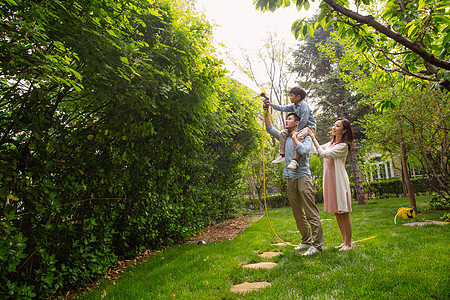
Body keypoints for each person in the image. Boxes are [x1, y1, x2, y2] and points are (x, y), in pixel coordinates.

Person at [264, 109, 323, 256]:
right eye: (287, 118)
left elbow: (304, 150)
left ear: (297, 122)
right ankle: (305, 241)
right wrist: (266, 113)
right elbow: (270, 129)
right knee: (297, 213)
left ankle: (317, 245)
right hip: (290, 178)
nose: (286, 121)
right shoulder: (285, 137)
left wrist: (296, 137)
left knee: (310, 212)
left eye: (290, 119)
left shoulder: (306, 136)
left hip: (303, 177)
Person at [308, 118, 354, 251]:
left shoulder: (343, 146)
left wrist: (313, 137)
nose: (334, 127)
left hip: (338, 181)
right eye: (334, 125)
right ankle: (344, 241)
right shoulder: (331, 143)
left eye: (337, 126)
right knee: (337, 212)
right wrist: (307, 138)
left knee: (343, 212)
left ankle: (349, 244)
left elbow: (323, 153)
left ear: (344, 130)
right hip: (330, 181)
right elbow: (316, 150)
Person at [264, 86, 316, 170]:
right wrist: (271, 105)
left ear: (298, 97)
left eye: (291, 95)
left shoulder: (304, 106)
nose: (290, 97)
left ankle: (295, 159)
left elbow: (304, 120)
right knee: (283, 133)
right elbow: (283, 108)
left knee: (298, 137)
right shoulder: (294, 106)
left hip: (309, 127)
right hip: (301, 126)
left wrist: (297, 131)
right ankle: (282, 154)